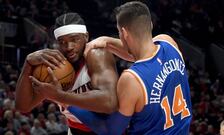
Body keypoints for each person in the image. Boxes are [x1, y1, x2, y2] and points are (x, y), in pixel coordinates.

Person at [74, 1, 192, 134]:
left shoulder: (132, 79)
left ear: (124, 33)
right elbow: (139, 53)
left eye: (118, 32)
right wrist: (107, 41)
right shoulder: (169, 43)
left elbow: (110, 130)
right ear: (150, 24)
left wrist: (67, 101)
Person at [15, 12, 119, 135]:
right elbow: (23, 106)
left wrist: (59, 96)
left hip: (105, 131)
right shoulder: (56, 64)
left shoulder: (96, 55)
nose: (69, 47)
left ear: (86, 37)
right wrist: (28, 64)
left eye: (74, 39)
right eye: (62, 42)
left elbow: (110, 102)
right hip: (75, 130)